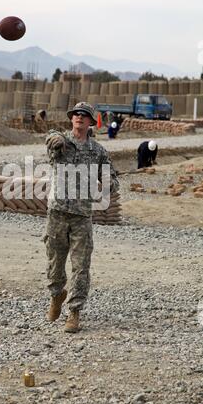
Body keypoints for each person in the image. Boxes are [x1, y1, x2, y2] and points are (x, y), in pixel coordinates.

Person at [45, 102, 119, 333]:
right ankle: (57, 295)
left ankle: (74, 313)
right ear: (72, 119)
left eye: (83, 115)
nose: (78, 117)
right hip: (57, 213)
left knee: (81, 267)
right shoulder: (61, 142)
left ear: (90, 122)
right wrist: (55, 138)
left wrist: (105, 182)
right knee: (55, 266)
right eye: (75, 114)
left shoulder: (98, 152)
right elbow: (51, 138)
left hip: (81, 218)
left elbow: (113, 183)